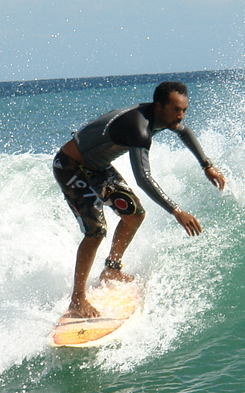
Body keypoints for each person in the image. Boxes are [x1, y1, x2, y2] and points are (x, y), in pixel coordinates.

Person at [52, 81, 227, 318]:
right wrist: (176, 211)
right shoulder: (139, 128)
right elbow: (143, 178)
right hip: (71, 167)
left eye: (184, 110)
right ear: (159, 106)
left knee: (135, 214)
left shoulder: (164, 118)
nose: (181, 115)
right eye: (176, 109)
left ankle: (111, 270)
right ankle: (77, 300)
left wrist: (207, 165)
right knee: (96, 232)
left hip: (98, 167)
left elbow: (184, 132)